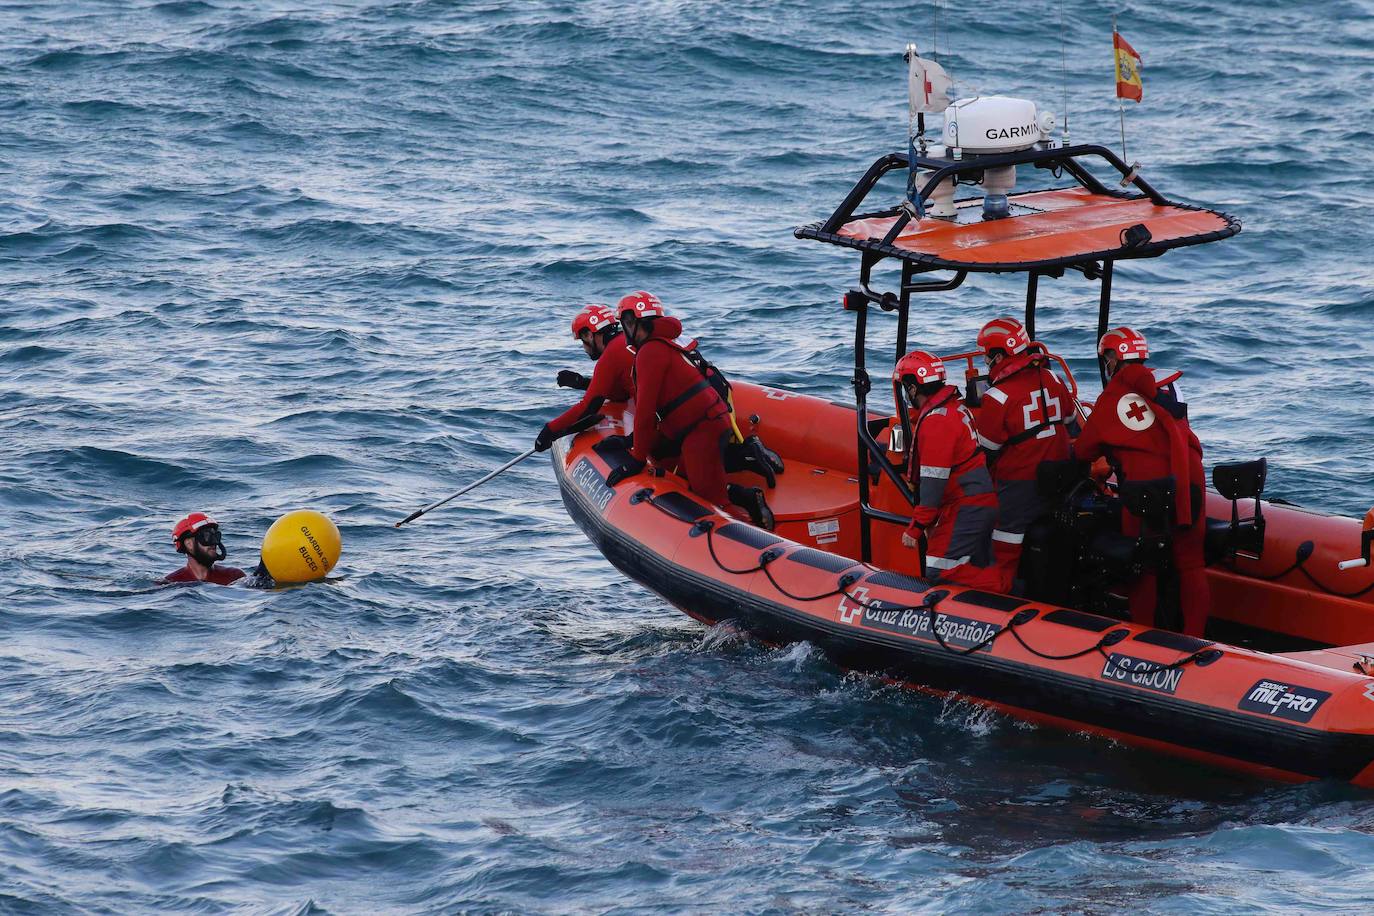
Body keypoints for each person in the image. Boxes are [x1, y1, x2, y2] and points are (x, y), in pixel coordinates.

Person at [1071, 327, 1209, 636]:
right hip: (1190, 479)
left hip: (1147, 489)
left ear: (1112, 359)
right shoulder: (1170, 386)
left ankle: (1141, 638)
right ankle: (1197, 639)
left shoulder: (1111, 398)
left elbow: (1083, 450)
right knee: (1191, 563)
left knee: (1141, 565)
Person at [606, 291, 774, 529]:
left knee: (710, 501)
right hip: (701, 424)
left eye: (625, 323)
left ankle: (745, 538)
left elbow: (644, 412)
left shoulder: (650, 352)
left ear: (633, 322)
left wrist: (636, 460)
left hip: (702, 429)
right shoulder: (664, 344)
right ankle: (747, 488)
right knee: (687, 477)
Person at [973, 317, 1081, 591]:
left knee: (1003, 542)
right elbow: (1072, 422)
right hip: (1059, 477)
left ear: (999, 355)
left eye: (987, 355)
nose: (986, 362)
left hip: (1019, 484)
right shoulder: (1052, 377)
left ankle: (999, 599)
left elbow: (985, 453)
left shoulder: (997, 397)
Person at [893, 350, 999, 586]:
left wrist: (916, 527)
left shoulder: (936, 422)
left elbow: (933, 482)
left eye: (905, 388)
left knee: (940, 569)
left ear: (912, 388)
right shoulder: (954, 408)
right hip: (979, 500)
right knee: (980, 566)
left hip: (966, 506)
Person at [534, 303, 634, 453]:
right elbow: (623, 391)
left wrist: (550, 430)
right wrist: (583, 383)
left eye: (582, 340)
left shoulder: (611, 354)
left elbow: (589, 407)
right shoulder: (627, 340)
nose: (584, 347)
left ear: (589, 335)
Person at [160, 512, 246, 585]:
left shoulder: (235, 576)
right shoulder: (170, 582)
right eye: (207, 536)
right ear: (189, 544)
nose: (214, 542)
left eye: (215, 536)